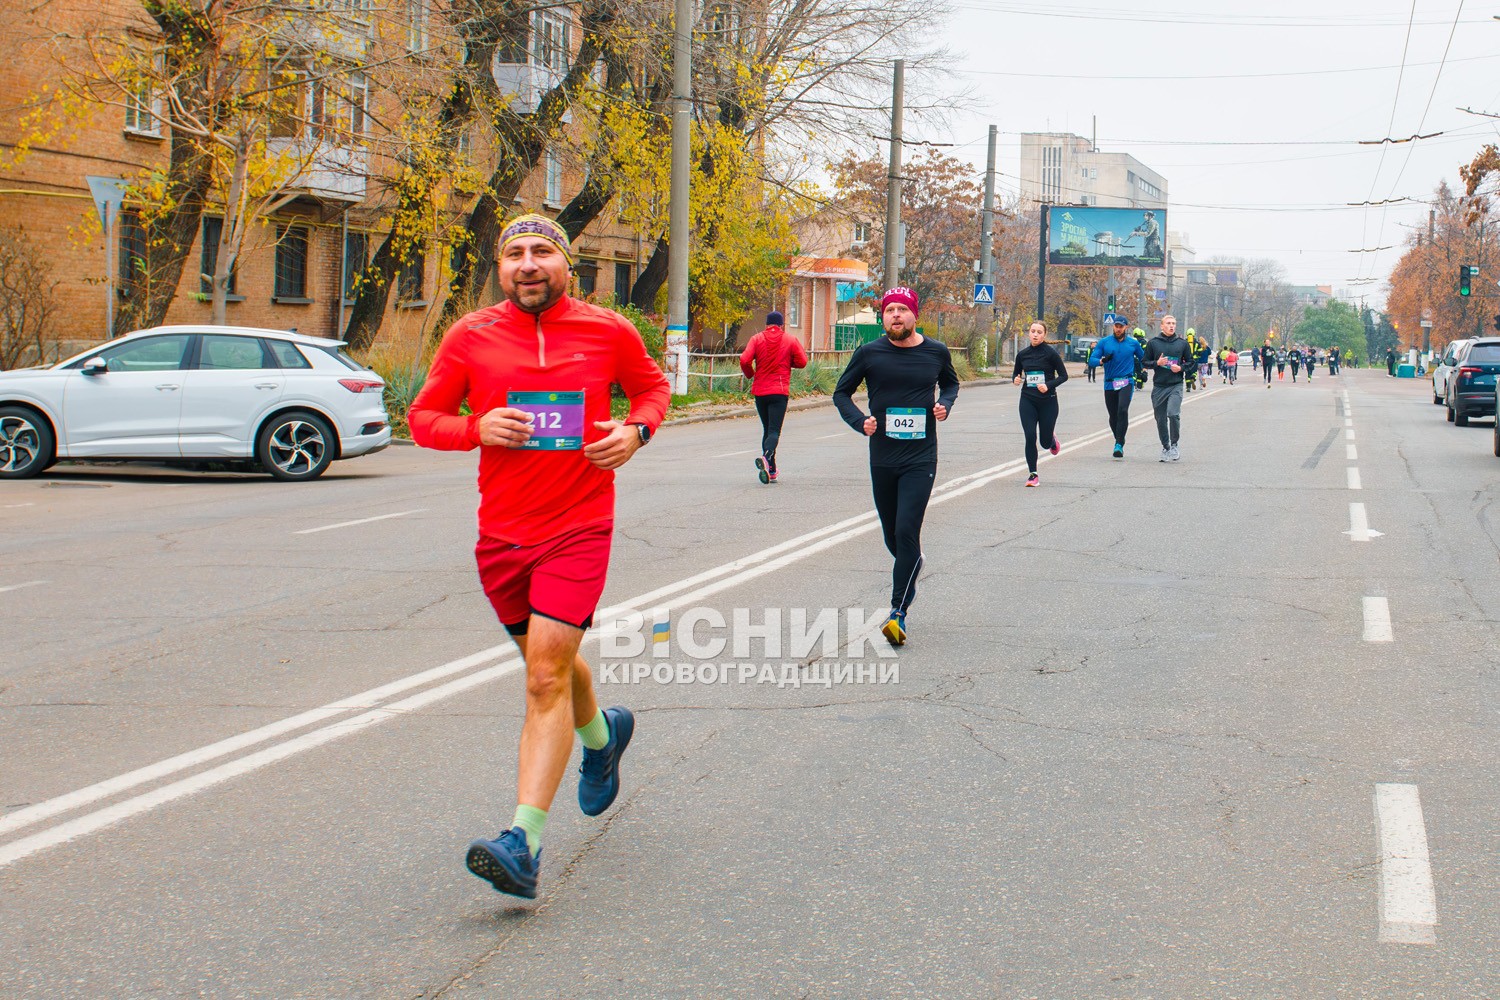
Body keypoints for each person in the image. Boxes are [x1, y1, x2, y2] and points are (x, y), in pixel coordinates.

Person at [409, 214, 670, 900]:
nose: (528, 264)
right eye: (514, 253)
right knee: (549, 663)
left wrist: (636, 430)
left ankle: (521, 841)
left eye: (542, 252)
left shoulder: (608, 329)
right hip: (501, 537)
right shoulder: (471, 336)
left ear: (567, 261)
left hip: (580, 525)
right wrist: (475, 427)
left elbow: (652, 389)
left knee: (544, 674)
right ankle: (602, 734)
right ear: (501, 267)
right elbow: (421, 420)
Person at [833, 287, 959, 647]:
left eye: (903, 310)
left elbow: (950, 383)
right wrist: (860, 422)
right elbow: (841, 393)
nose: (896, 316)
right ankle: (912, 562)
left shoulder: (936, 351)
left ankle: (897, 612)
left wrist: (944, 404)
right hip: (883, 457)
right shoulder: (869, 353)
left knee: (906, 529)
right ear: (883, 318)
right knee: (893, 535)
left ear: (914, 315)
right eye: (890, 311)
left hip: (921, 458)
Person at [739, 309, 807, 484]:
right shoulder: (790, 340)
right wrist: (788, 363)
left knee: (767, 429)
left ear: (767, 325)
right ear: (781, 325)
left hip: (760, 391)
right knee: (774, 431)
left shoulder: (757, 339)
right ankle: (767, 456)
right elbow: (803, 361)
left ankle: (772, 469)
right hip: (779, 390)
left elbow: (744, 360)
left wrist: (750, 374)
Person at [1013, 320, 1070, 484]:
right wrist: (1016, 379)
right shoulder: (1022, 354)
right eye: (1033, 331)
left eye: (1039, 332)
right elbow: (1016, 373)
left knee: (1044, 443)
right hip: (1028, 400)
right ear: (1029, 333)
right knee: (1030, 436)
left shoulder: (1050, 354)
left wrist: (1048, 385)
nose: (1035, 334)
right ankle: (1033, 474)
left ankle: (1051, 439)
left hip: (1048, 401)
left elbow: (1064, 376)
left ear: (1044, 335)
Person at [1088, 314, 1144, 458]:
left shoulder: (1133, 343)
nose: (1118, 329)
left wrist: (1144, 370)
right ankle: (1119, 437)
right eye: (1116, 326)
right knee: (1113, 415)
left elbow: (1143, 358)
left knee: (1122, 410)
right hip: (1110, 383)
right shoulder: (1104, 342)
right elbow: (1091, 360)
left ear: (1126, 327)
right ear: (1113, 326)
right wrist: (1102, 361)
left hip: (1126, 381)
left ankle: (1119, 444)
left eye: (1121, 326)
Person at [1144, 314, 1194, 461]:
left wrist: (1181, 368)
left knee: (1173, 414)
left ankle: (1174, 444)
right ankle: (1165, 447)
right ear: (1162, 326)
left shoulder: (1182, 344)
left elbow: (1191, 362)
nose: (1171, 326)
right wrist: (1156, 363)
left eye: (1173, 323)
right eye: (1168, 323)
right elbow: (1144, 362)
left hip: (1175, 385)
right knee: (1160, 419)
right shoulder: (1153, 343)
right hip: (1159, 386)